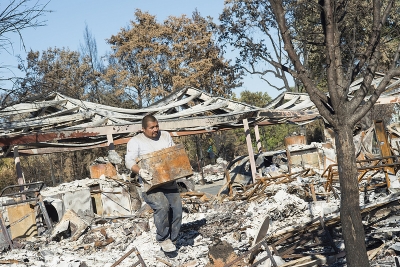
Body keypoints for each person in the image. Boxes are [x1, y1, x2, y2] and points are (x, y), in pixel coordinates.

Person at [125, 114, 182, 253]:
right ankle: (163, 238)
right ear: (143, 129)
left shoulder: (165, 136)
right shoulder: (135, 141)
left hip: (168, 181)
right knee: (162, 206)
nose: (155, 129)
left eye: (157, 126)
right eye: (152, 127)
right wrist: (140, 172)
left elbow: (173, 153)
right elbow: (129, 161)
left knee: (177, 210)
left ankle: (172, 240)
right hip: (150, 184)